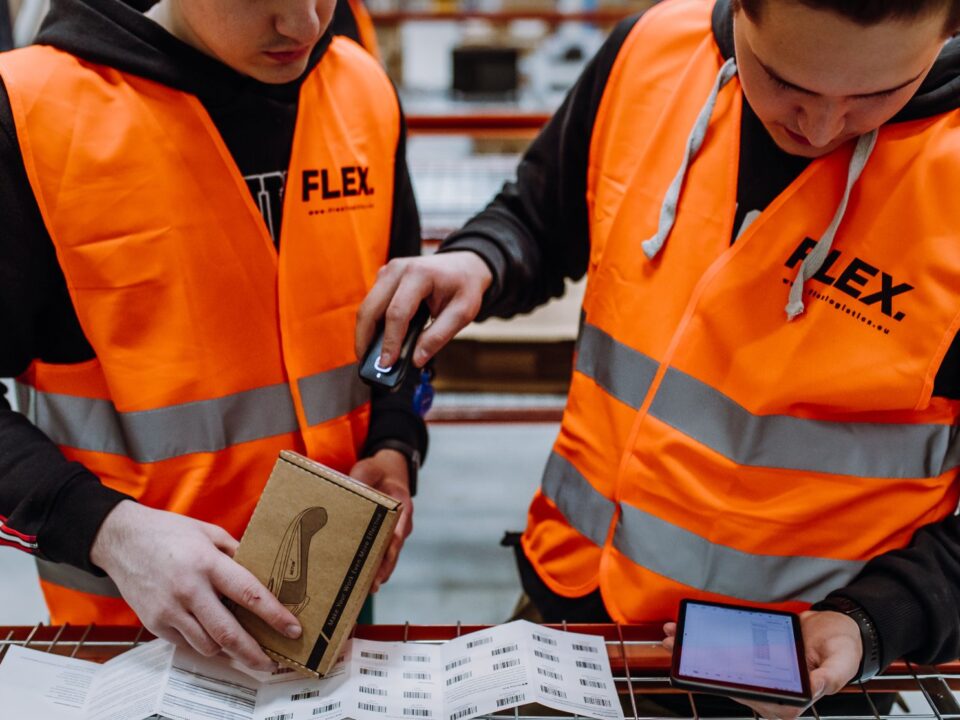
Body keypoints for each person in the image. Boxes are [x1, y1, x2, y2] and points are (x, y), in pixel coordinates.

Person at [356, 0, 960, 715]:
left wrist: (874, 620)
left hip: (789, 673)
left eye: (874, 96)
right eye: (784, 83)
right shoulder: (651, 55)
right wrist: (481, 260)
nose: (821, 126)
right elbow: (539, 217)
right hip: (573, 613)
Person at [0, 0, 426, 672]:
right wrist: (110, 532)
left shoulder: (360, 87)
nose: (306, 26)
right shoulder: (34, 110)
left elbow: (397, 324)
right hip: (130, 633)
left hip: (331, 597)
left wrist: (395, 443)